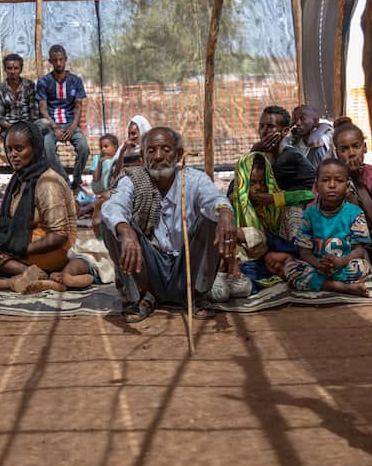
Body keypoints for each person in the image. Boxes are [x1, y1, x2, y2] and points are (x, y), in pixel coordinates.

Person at [101, 126, 236, 322]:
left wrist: (225, 214)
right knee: (112, 224)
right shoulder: (134, 180)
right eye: (151, 150)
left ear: (179, 154)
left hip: (186, 269)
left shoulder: (193, 180)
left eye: (166, 150)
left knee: (214, 217)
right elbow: (114, 205)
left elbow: (213, 199)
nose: (157, 156)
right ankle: (141, 297)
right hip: (148, 270)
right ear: (143, 157)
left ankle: (196, 295)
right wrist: (125, 231)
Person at [0, 121, 94, 293]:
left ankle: (28, 274)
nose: (13, 155)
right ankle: (37, 275)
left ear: (34, 148)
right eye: (10, 149)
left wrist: (18, 250)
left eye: (19, 149)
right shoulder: (21, 179)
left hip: (56, 250)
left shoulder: (47, 182)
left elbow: (59, 235)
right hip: (34, 243)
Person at [228, 152, 315, 293]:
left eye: (262, 182)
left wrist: (274, 199)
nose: (258, 187)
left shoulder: (273, 195)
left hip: (281, 246)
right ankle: (289, 264)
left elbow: (309, 195)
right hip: (253, 255)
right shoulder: (233, 203)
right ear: (242, 181)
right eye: (253, 183)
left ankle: (297, 256)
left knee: (293, 211)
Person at [284, 158, 372, 296]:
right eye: (325, 180)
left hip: (343, 265)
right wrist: (317, 263)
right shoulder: (309, 215)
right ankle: (341, 287)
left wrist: (342, 261)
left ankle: (322, 283)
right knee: (291, 267)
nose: (332, 185)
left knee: (361, 266)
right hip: (317, 266)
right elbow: (304, 252)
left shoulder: (355, 213)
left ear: (347, 186)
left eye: (338, 180)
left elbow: (359, 249)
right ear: (317, 186)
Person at [36, 44, 90, 192]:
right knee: (47, 148)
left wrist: (73, 127)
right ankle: (65, 182)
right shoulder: (44, 82)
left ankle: (77, 181)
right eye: (55, 60)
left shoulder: (75, 81)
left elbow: (78, 106)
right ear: (50, 62)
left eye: (61, 59)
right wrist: (54, 127)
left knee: (84, 148)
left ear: (66, 59)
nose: (58, 63)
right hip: (52, 124)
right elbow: (43, 108)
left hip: (70, 123)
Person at [332, 117, 372, 263]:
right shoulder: (328, 177)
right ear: (336, 153)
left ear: (365, 147)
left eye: (356, 146)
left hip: (371, 235)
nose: (351, 153)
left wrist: (358, 184)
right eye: (344, 149)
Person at [250, 105, 316, 194]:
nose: (264, 131)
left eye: (270, 126)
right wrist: (254, 152)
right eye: (261, 126)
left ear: (285, 131)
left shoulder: (289, 156)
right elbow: (238, 184)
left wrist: (282, 198)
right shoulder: (260, 156)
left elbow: (315, 184)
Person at [0, 53, 43, 139]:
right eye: (9, 68)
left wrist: (26, 128)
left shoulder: (29, 85)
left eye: (16, 68)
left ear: (21, 69)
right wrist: (14, 128)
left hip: (28, 126)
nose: (12, 72)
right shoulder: (0, 90)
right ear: (5, 69)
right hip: (9, 128)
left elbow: (34, 113)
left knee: (44, 124)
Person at [283, 105, 334, 170]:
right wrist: (289, 125)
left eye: (303, 119)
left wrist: (323, 126)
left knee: (317, 149)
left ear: (315, 122)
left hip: (320, 173)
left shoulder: (325, 134)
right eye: (296, 119)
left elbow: (313, 142)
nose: (297, 123)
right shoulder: (295, 138)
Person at [110, 115, 151, 181]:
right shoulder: (124, 149)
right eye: (129, 134)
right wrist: (122, 152)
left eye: (133, 133)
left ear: (142, 132)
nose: (130, 137)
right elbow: (115, 175)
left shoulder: (151, 148)